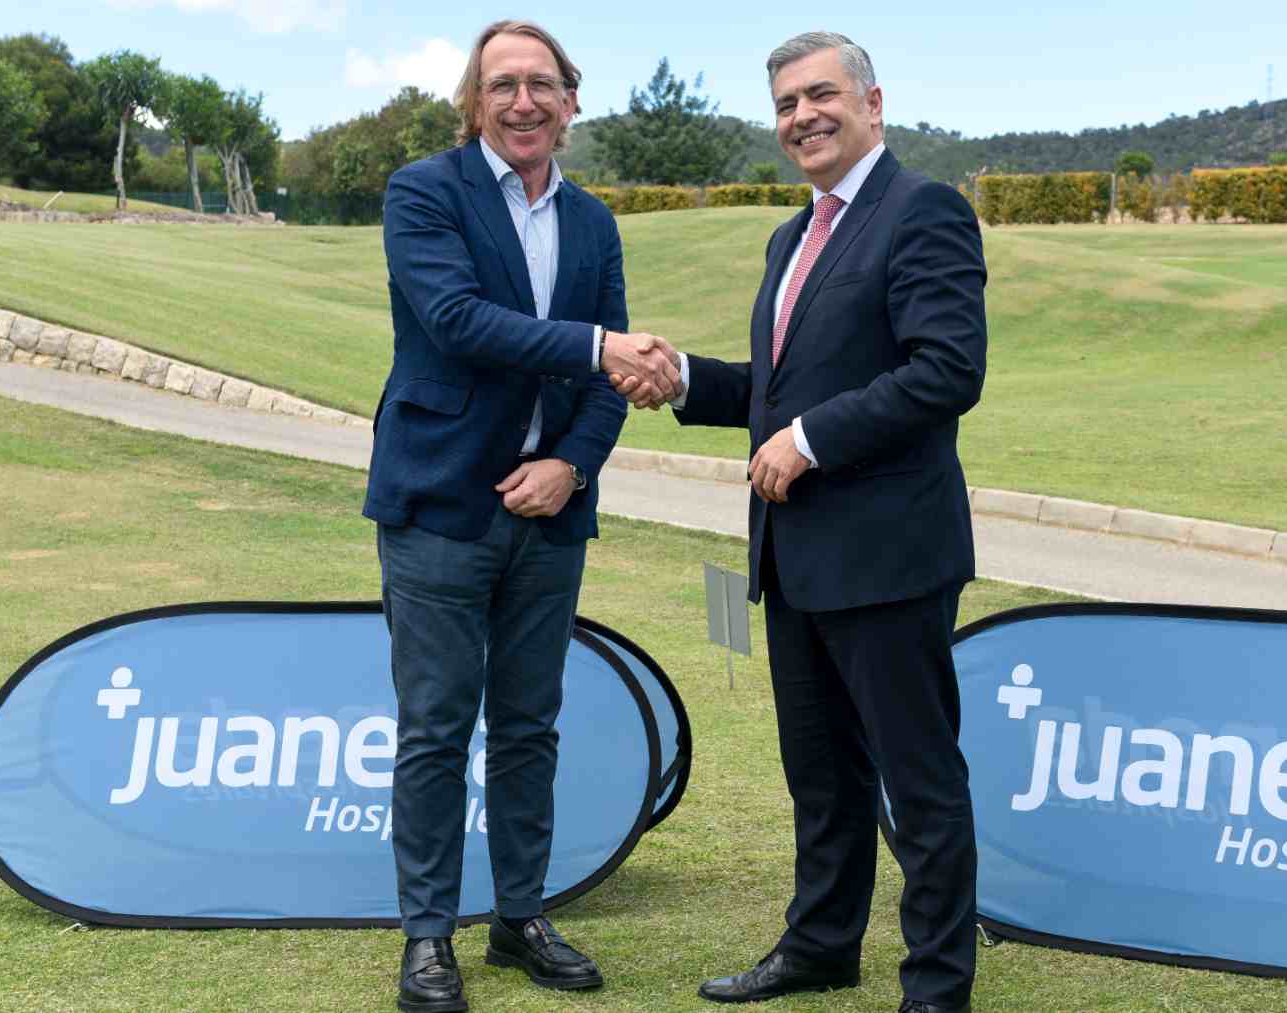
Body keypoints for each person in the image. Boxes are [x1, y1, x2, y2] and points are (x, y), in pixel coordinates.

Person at [614, 30, 987, 1013]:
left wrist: (811, 438)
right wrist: (684, 377)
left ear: (872, 103)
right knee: (820, 778)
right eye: (785, 104)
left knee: (921, 781)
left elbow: (947, 369)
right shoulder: (792, 237)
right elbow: (779, 388)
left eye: (821, 95)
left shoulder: (924, 212)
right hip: (795, 556)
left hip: (892, 555)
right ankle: (823, 944)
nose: (802, 116)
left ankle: (938, 984)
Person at [364, 19, 681, 1013]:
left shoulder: (593, 222)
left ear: (571, 100)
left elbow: (611, 386)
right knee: (434, 727)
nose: (524, 102)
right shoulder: (425, 192)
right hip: (440, 501)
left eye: (543, 84)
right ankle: (427, 936)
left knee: (531, 726)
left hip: (548, 514)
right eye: (502, 84)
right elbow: (457, 321)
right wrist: (600, 346)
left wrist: (570, 467)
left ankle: (519, 916)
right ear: (475, 100)